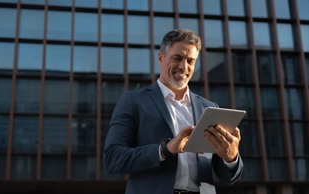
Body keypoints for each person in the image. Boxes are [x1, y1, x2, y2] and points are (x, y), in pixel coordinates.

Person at [103, 28, 243, 194]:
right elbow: (112, 159)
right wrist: (165, 149)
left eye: (190, 61)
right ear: (161, 58)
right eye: (177, 58)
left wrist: (231, 157)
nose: (184, 66)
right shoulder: (134, 101)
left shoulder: (209, 108)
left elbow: (228, 177)